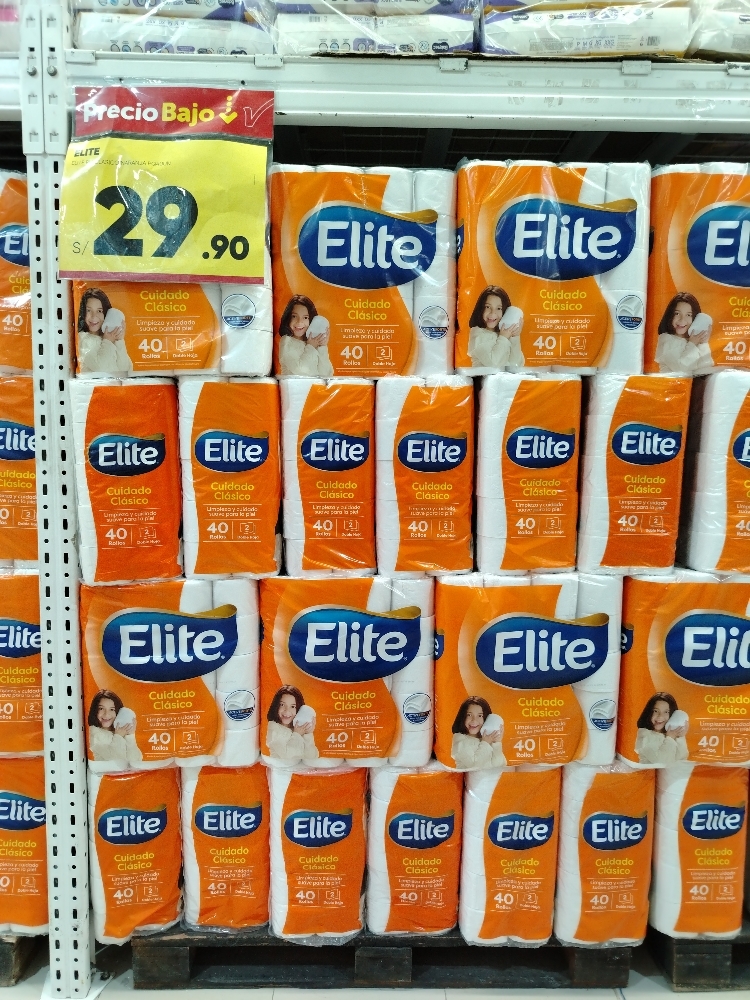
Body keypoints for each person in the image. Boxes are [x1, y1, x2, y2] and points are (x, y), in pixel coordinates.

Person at [77, 288, 133, 375]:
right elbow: (102, 369)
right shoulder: (83, 340)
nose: (94, 316)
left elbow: (126, 369)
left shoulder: (110, 339)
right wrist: (107, 342)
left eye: (99, 311)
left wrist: (119, 341)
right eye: (89, 310)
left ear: (106, 314)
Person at [655, 292, 712, 373]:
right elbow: (681, 369)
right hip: (674, 381)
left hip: (692, 381)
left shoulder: (694, 340)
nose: (682, 319)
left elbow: (706, 368)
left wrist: (703, 344)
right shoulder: (666, 340)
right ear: (670, 315)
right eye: (677, 313)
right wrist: (692, 344)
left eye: (688, 315)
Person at [467, 286, 523, 368]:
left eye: (499, 308)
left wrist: (514, 337)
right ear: (481, 308)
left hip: (503, 377)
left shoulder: (504, 335)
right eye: (488, 307)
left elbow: (516, 365)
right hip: (483, 376)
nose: (493, 313)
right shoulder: (477, 335)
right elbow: (493, 363)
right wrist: (503, 338)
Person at [278, 294, 334, 377]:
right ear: (288, 318)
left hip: (314, 385)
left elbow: (327, 374)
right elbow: (300, 371)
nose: (299, 322)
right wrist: (311, 347)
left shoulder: (312, 343)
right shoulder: (286, 341)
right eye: (294, 316)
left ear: (311, 320)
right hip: (294, 385)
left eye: (305, 318)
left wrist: (322, 347)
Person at [87, 689, 142, 764]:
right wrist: (118, 736)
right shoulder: (94, 734)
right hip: (106, 771)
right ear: (95, 710)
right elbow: (117, 760)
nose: (106, 714)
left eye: (112, 709)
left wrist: (130, 736)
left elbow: (136, 761)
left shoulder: (120, 732)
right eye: (101, 708)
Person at [266, 684, 319, 761]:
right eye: (282, 705)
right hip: (281, 768)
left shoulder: (298, 729)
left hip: (299, 768)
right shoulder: (274, 729)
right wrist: (297, 735)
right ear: (276, 706)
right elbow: (288, 757)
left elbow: (312, 758)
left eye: (293, 706)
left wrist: (308, 734)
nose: (287, 710)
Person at [451, 696, 506, 769]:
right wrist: (485, 743)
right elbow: (475, 766)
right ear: (463, 716)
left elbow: (500, 765)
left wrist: (496, 743)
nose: (474, 720)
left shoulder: (486, 739)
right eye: (469, 715)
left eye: (480, 716)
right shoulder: (460, 741)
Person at [635, 692, 688, 765]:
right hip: (650, 772)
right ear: (649, 712)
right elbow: (662, 762)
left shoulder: (671, 735)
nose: (660, 716)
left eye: (666, 712)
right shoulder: (644, 735)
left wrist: (680, 737)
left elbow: (681, 759)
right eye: (656, 711)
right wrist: (670, 738)